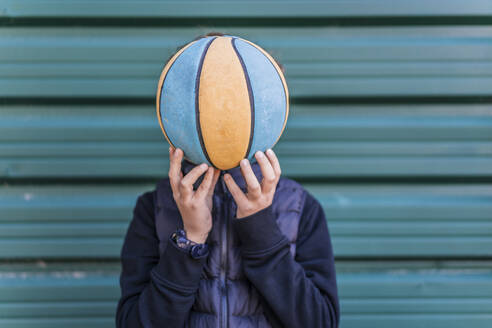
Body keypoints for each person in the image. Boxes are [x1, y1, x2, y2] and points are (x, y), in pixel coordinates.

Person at [116, 32, 340, 328]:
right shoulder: (153, 208)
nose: (222, 112)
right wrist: (189, 240)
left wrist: (261, 229)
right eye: (209, 99)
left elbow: (320, 322)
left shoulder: (301, 209)